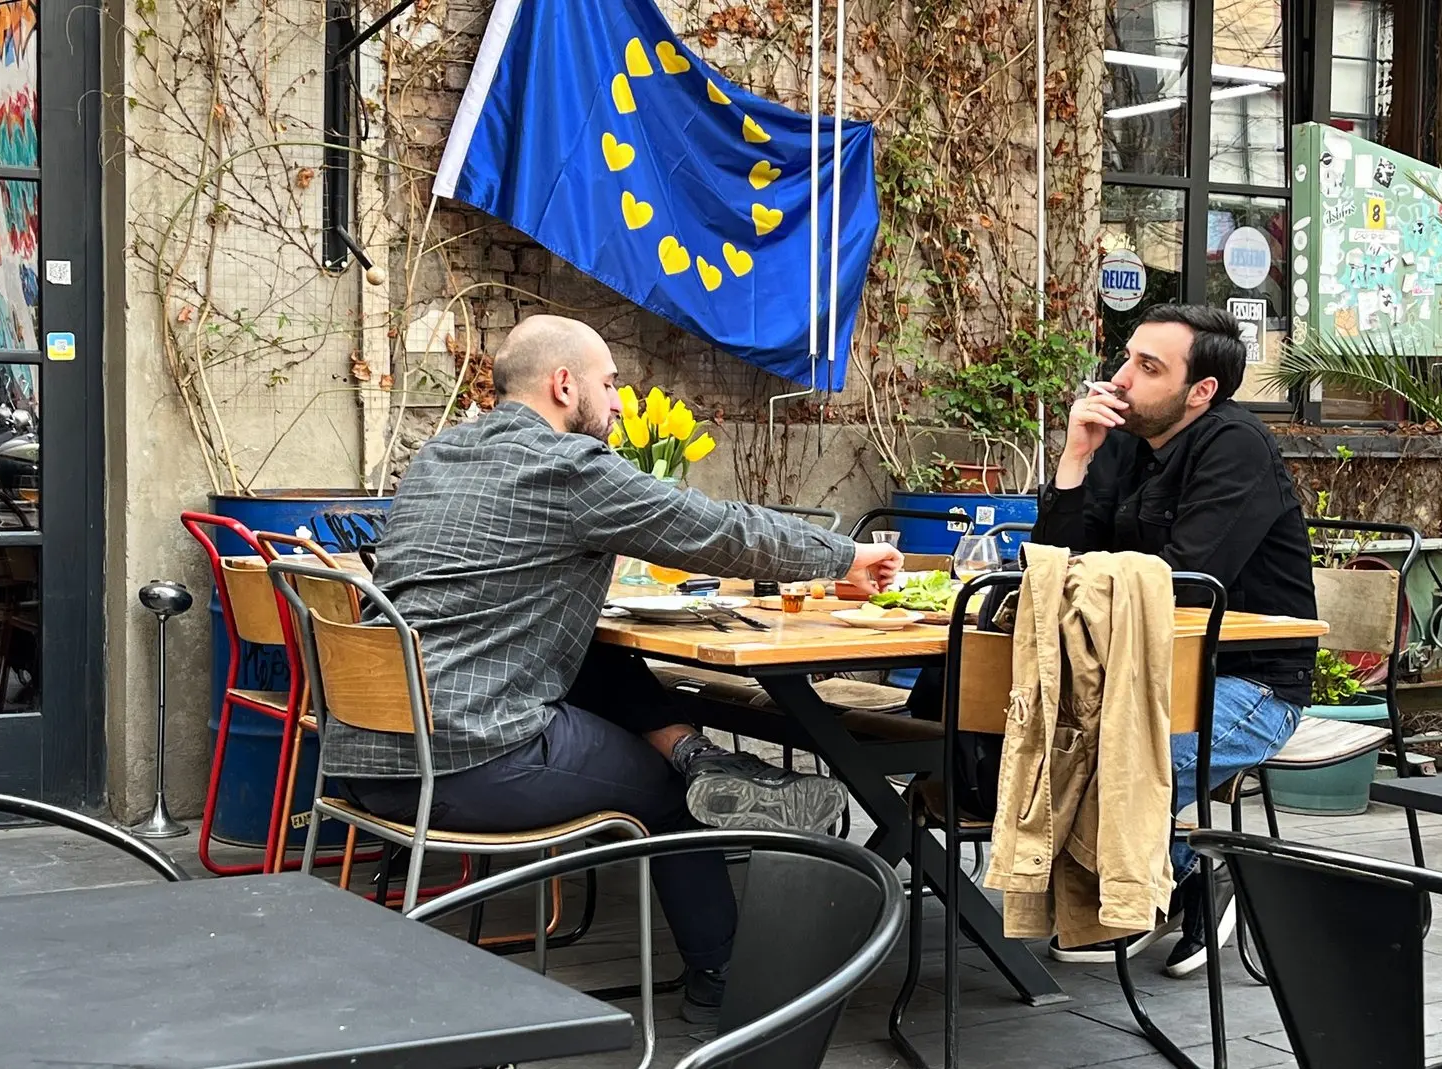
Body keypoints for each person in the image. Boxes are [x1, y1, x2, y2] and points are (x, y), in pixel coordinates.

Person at [323, 314, 903, 1024]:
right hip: (465, 758)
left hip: (362, 754)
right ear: (564, 384)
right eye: (610, 382)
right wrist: (844, 556)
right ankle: (722, 975)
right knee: (666, 795)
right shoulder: (568, 467)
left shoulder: (438, 457)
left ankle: (700, 756)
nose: (621, 401)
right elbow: (714, 531)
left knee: (593, 657)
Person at [910, 303, 1316, 979]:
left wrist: (1084, 580)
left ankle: (1193, 875)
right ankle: (1176, 877)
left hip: (1248, 682)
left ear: (1202, 390)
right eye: (1126, 357)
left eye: (1148, 367)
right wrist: (1074, 457)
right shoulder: (1122, 439)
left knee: (1093, 766)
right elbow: (1054, 569)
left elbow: (1182, 582)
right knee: (1023, 741)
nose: (1122, 378)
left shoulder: (1236, 446)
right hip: (1129, 679)